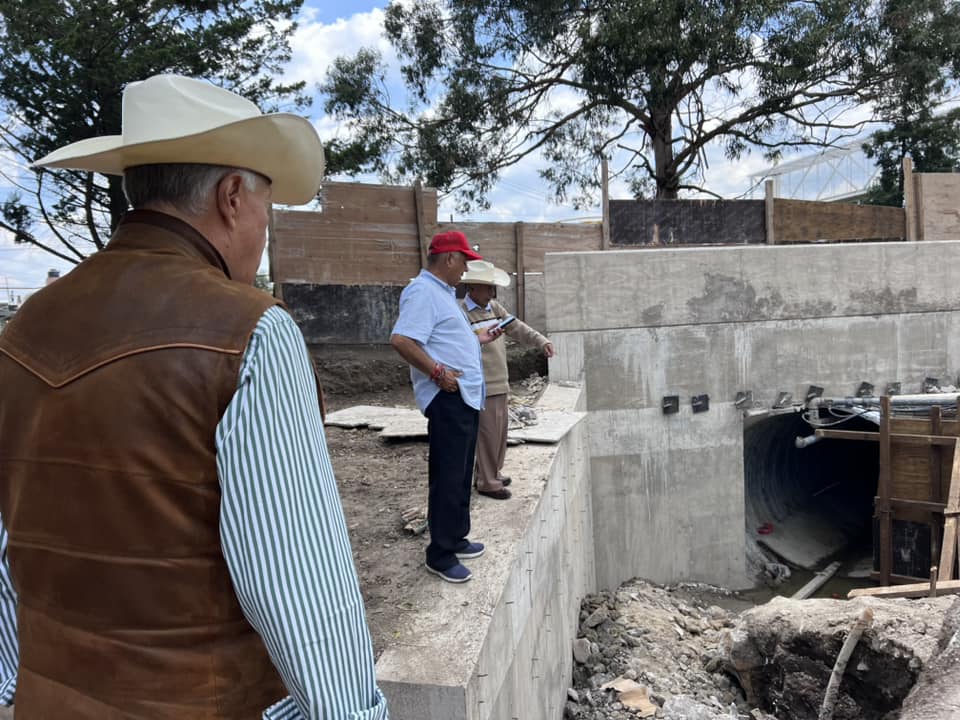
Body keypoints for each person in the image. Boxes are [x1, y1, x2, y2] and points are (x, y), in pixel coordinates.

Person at [0, 75, 388, 720]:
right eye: (267, 207)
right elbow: (294, 577)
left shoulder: (23, 328)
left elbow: (8, 541)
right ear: (233, 196)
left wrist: (15, 681)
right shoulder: (251, 330)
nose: (264, 229)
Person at [389, 231, 502, 584]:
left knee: (461, 472)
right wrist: (437, 373)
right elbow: (402, 339)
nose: (466, 270)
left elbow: (444, 337)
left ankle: (456, 537)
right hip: (448, 397)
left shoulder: (440, 294)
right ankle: (439, 554)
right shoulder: (422, 292)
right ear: (449, 258)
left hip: (463, 395)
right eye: (464, 261)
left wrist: (476, 339)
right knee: (448, 476)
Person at [459, 260, 554, 500]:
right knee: (488, 433)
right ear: (473, 287)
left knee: (499, 432)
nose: (492, 292)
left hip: (500, 381)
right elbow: (459, 346)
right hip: (483, 384)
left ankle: (492, 473)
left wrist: (541, 341)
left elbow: (517, 327)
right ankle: (487, 482)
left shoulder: (493, 308)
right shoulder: (462, 314)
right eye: (488, 287)